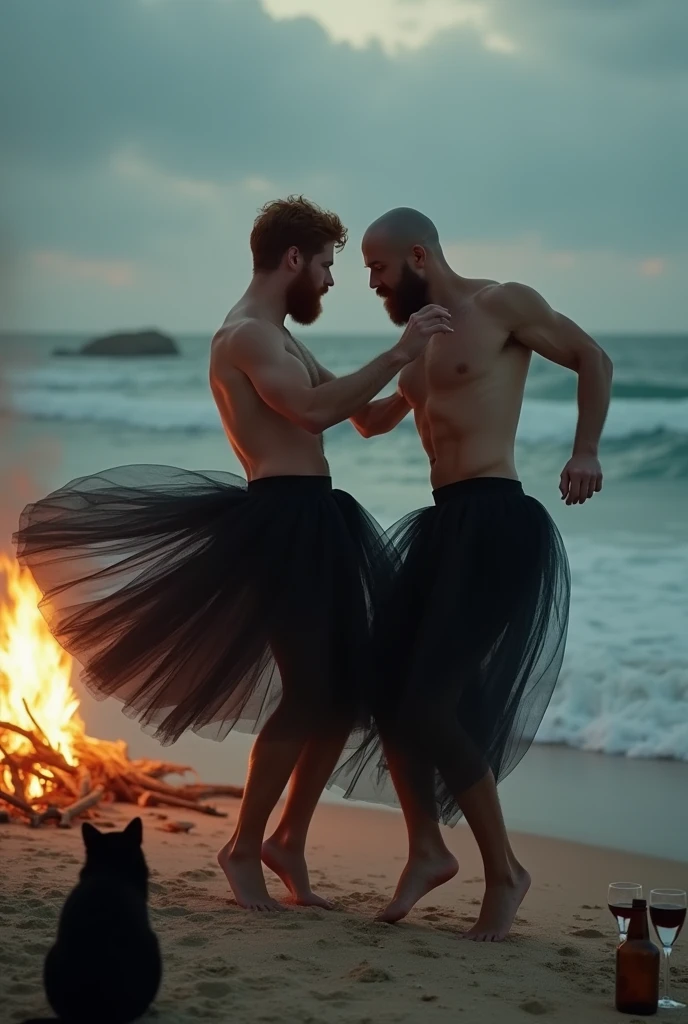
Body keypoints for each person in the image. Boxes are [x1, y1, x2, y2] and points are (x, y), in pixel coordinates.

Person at [13, 196, 453, 912]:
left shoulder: (281, 336)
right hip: (279, 523)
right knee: (310, 693)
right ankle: (244, 847)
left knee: (342, 696)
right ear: (292, 260)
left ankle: (285, 843)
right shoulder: (245, 336)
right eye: (326, 265)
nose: (333, 281)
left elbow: (364, 419)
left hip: (318, 517)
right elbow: (310, 413)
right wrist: (400, 350)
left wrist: (417, 370)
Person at [336, 207, 613, 941]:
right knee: (385, 687)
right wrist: (334, 373)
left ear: (418, 254)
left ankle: (505, 873)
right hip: (442, 525)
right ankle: (427, 849)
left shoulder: (503, 305)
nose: (371, 282)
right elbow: (371, 422)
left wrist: (585, 449)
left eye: (378, 268)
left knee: (431, 705)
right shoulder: (419, 337)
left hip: (497, 522)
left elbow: (594, 358)